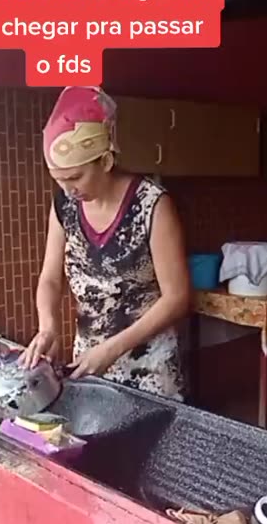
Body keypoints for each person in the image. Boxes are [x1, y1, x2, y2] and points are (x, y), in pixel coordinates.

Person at [22, 85, 191, 400]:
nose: (68, 189)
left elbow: (177, 297)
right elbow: (50, 279)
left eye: (75, 177)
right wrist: (48, 327)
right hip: (90, 363)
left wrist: (112, 349)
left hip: (150, 369)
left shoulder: (152, 204)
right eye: (59, 179)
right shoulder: (65, 207)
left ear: (106, 161)